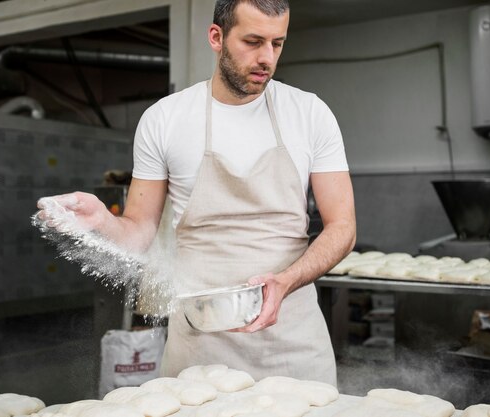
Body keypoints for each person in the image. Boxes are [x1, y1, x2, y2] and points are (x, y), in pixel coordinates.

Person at [38, 0, 355, 385]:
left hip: (292, 339)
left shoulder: (310, 114)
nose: (266, 58)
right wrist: (103, 221)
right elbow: (139, 230)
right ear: (216, 37)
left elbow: (342, 227)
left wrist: (285, 282)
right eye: (253, 41)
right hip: (200, 344)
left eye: (277, 43)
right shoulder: (166, 119)